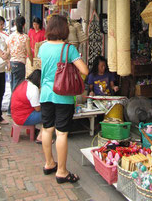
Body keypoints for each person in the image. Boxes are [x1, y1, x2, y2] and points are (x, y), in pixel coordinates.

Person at [38, 15, 88, 183]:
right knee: (61, 133)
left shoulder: (43, 48)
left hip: (45, 94)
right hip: (63, 96)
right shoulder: (69, 49)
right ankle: (61, 171)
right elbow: (85, 70)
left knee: (47, 129)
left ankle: (49, 163)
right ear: (64, 29)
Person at [7, 16, 33, 114]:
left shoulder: (11, 36)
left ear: (14, 24)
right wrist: (32, 61)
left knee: (13, 86)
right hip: (20, 64)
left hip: (13, 63)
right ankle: (12, 109)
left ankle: (12, 109)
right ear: (24, 24)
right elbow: (29, 52)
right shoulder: (25, 37)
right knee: (17, 88)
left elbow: (8, 51)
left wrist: (8, 62)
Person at [11, 69, 43, 143]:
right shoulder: (33, 89)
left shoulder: (23, 82)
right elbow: (37, 108)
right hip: (23, 117)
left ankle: (33, 131)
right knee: (49, 114)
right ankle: (41, 136)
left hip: (16, 114)